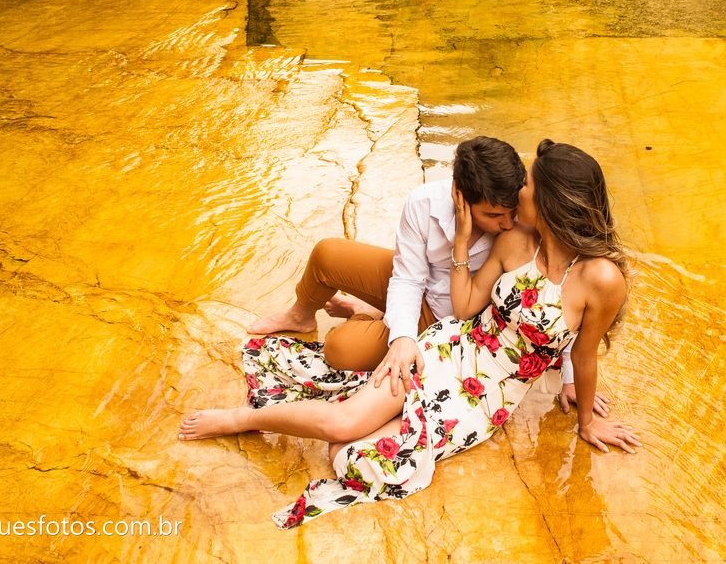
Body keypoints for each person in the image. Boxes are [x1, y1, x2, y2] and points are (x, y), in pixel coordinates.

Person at [178, 140, 641, 527]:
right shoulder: (516, 238)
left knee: (357, 455)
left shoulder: (601, 279)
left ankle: (361, 325)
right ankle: (241, 419)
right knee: (343, 417)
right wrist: (460, 244)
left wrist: (584, 412)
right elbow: (461, 307)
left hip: (489, 394)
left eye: (529, 187)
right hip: (451, 345)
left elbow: (585, 350)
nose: (521, 192)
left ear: (551, 203)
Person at [244, 135, 595, 412]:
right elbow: (408, 278)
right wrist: (401, 337)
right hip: (417, 287)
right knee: (327, 254)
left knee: (337, 348)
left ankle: (371, 315)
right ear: (460, 195)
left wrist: (569, 377)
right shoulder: (423, 203)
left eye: (511, 212)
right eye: (492, 216)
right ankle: (301, 315)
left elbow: (561, 298)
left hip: (448, 320)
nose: (507, 224)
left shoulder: (522, 220)